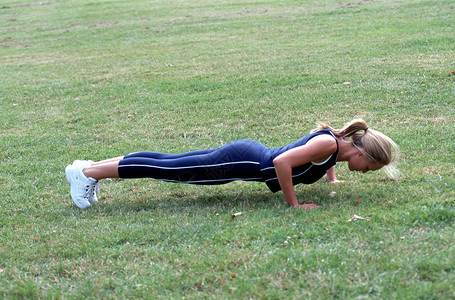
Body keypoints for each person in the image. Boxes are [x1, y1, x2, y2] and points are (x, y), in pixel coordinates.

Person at [65, 119, 399, 209]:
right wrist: (293, 203)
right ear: (361, 152)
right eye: (369, 167)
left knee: (169, 162)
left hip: (246, 156)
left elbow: (322, 157)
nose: (365, 173)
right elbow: (283, 163)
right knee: (168, 168)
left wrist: (331, 179)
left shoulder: (335, 146)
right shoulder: (329, 144)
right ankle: (86, 173)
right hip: (245, 161)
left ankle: (89, 168)